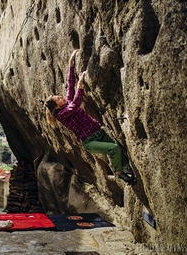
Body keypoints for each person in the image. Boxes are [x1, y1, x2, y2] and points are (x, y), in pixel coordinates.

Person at [44, 50, 134, 183]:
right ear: (56, 106)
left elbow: (70, 85)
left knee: (118, 151)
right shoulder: (61, 115)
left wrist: (71, 64)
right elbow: (75, 105)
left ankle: (125, 167)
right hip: (89, 141)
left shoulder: (66, 103)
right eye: (58, 98)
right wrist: (80, 86)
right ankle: (119, 172)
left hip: (98, 131)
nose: (61, 96)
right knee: (113, 149)